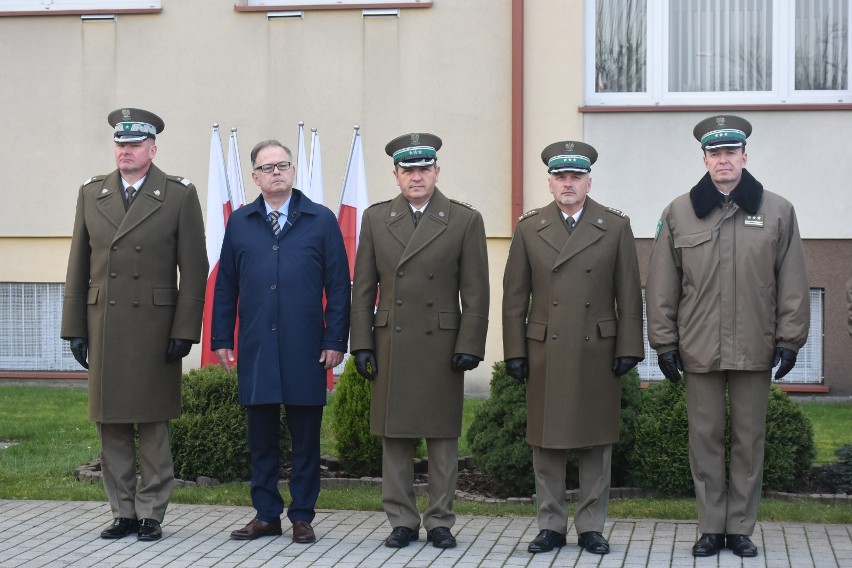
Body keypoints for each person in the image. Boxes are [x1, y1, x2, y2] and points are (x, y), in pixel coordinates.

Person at [646, 115, 809, 558]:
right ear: (705, 159)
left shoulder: (778, 210)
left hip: (755, 345)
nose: (723, 160)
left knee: (749, 441)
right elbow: (663, 284)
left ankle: (740, 528)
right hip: (698, 346)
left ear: (744, 157)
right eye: (715, 153)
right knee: (704, 440)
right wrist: (663, 343)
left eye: (730, 152)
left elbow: (792, 280)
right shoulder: (679, 212)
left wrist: (790, 338)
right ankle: (709, 528)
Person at [61, 108, 208, 541]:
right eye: (120, 144)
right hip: (104, 320)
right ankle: (122, 511)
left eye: (134, 145)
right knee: (111, 422)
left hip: (154, 325)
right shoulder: (93, 193)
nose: (125, 151)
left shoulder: (179, 194)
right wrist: (75, 327)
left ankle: (151, 513)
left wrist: (185, 329)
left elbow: (194, 269)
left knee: (153, 423)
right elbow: (78, 264)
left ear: (152, 149)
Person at [502, 141, 644, 555]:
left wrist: (629, 346)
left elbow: (629, 293)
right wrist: (515, 349)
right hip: (547, 345)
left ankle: (590, 526)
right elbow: (515, 296)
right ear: (549, 183)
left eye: (575, 177)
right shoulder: (530, 228)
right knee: (546, 440)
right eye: (561, 177)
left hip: (596, 346)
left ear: (589, 181)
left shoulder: (614, 226)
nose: (568, 184)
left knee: (596, 441)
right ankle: (550, 524)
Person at [349, 132, 489, 549]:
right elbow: (363, 288)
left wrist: (471, 342)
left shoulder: (464, 219)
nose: (416, 177)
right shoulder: (376, 219)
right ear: (396, 175)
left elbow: (476, 290)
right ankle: (402, 520)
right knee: (396, 435)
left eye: (423, 169)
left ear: (437, 172)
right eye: (407, 170)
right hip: (392, 337)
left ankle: (440, 519)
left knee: (443, 436)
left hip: (442, 342)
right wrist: (362, 343)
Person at [212, 139, 350, 545]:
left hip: (306, 348)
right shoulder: (241, 222)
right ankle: (267, 514)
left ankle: (303, 516)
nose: (276, 172)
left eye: (283, 165)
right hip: (257, 346)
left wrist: (335, 339)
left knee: (307, 439)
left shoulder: (320, 220)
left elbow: (339, 287)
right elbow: (226, 285)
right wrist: (221, 335)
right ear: (255, 177)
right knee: (261, 439)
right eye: (267, 167)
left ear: (293, 172)